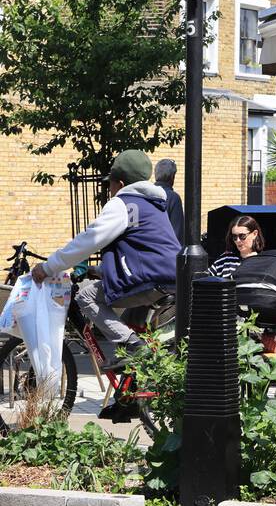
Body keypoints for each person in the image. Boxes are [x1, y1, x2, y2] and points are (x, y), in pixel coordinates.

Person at [30, 150, 179, 362]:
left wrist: (48, 268)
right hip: (169, 278)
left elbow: (88, 240)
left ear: (119, 183)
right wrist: (100, 270)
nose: (108, 189)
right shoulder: (154, 205)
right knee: (127, 325)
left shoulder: (123, 204)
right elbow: (140, 250)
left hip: (149, 280)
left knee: (86, 297)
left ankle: (133, 345)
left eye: (109, 184)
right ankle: (132, 387)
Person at [154, 158, 184, 244]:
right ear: (172, 177)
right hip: (166, 251)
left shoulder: (146, 194)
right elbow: (177, 234)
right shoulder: (173, 198)